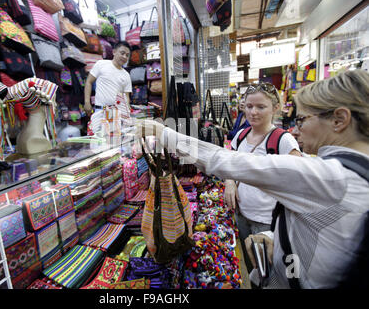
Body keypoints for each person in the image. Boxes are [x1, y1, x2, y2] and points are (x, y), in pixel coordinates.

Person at [137, 69, 369, 288]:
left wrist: (163, 133)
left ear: (339, 120)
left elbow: (229, 161)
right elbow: (322, 235)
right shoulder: (354, 174)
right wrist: (274, 238)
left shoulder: (332, 178)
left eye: (302, 120)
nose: (297, 131)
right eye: (248, 106)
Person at [224, 83, 301, 260]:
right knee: (252, 268)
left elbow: (298, 180)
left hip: (267, 220)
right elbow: (228, 162)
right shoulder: (241, 136)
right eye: (249, 106)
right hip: (241, 214)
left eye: (261, 107)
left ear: (275, 108)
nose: (253, 112)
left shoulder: (283, 140)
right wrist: (229, 181)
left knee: (268, 270)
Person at [83, 41, 132, 116]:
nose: (124, 57)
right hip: (100, 111)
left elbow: (126, 97)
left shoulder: (126, 75)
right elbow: (89, 82)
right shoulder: (101, 64)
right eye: (122, 53)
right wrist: (87, 102)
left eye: (127, 55)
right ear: (114, 52)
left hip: (118, 114)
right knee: (98, 128)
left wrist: (127, 112)